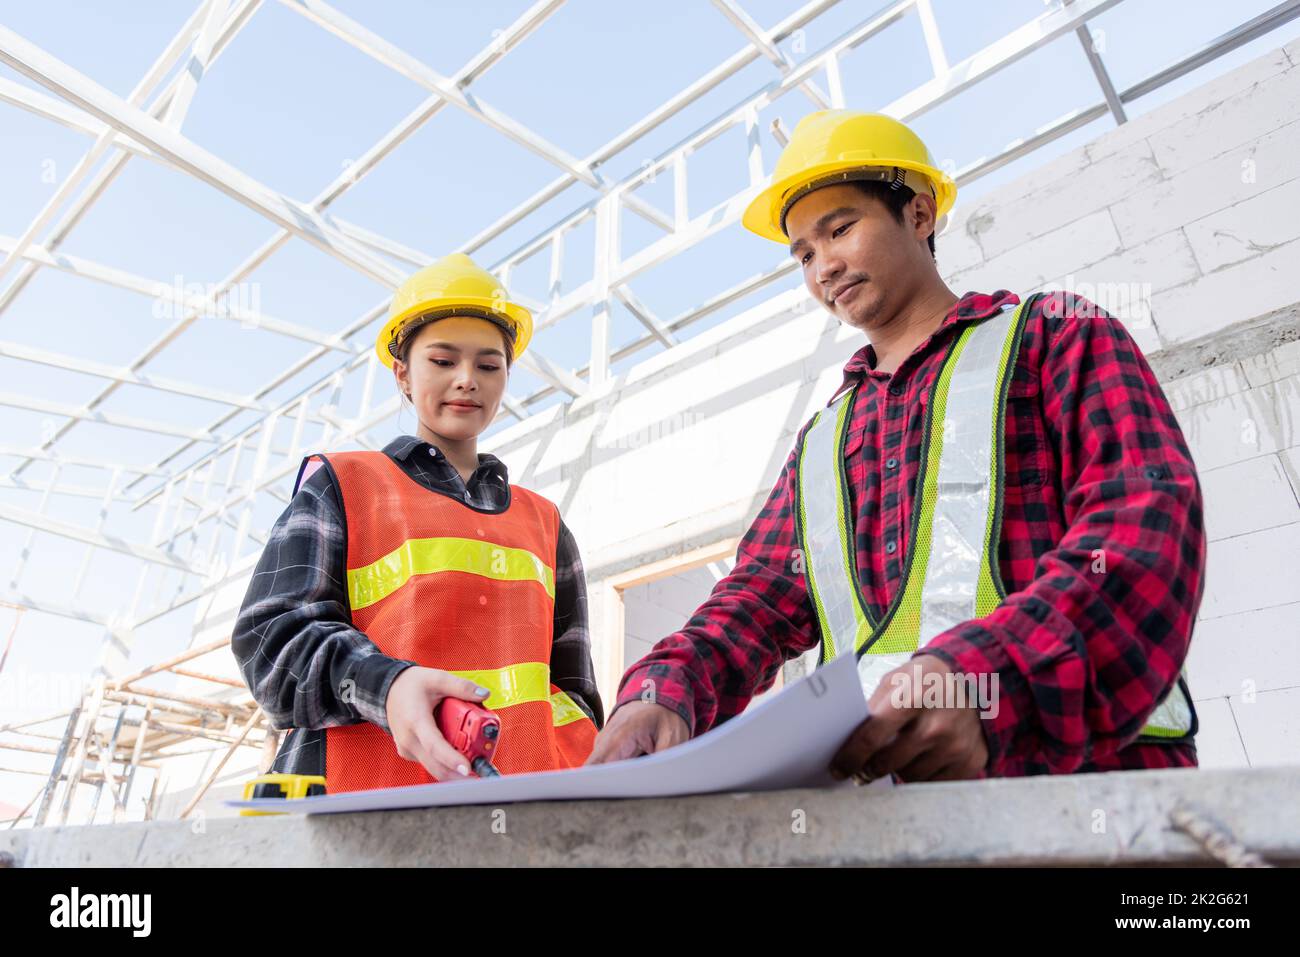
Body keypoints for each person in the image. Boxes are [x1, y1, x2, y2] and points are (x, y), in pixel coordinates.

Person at [587, 110, 1203, 781]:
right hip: (888, 805)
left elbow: (1144, 525)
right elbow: (756, 598)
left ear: (919, 214)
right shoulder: (825, 437)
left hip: (1083, 795)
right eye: (802, 253)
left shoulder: (1056, 337)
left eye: (840, 228)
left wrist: (989, 678)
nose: (823, 266)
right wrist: (661, 690)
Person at [233, 253, 602, 792]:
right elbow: (269, 640)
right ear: (403, 374)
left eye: (488, 365)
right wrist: (385, 686)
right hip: (360, 812)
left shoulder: (544, 524)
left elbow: (573, 695)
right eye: (443, 360)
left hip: (518, 818)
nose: (467, 380)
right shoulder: (345, 484)